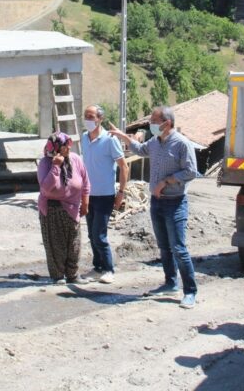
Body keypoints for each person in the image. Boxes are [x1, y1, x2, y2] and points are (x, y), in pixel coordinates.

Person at [109, 106, 199, 309]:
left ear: (167, 123)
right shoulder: (155, 142)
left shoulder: (182, 144)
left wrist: (166, 181)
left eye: (155, 121)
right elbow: (140, 150)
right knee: (164, 247)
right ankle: (170, 283)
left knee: (178, 248)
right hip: (157, 202)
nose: (151, 125)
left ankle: (190, 291)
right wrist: (123, 136)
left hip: (175, 203)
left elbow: (191, 171)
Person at [81, 105, 129, 284]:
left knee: (99, 234)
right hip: (88, 194)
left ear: (100, 119)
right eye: (86, 116)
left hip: (105, 195)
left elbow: (124, 166)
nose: (88, 119)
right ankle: (98, 267)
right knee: (91, 235)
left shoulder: (109, 140)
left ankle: (109, 269)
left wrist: (121, 192)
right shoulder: (85, 138)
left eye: (91, 116)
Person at [37, 132, 90, 285]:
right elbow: (46, 189)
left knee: (74, 243)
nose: (68, 148)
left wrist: (85, 203)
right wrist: (56, 167)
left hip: (73, 208)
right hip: (52, 209)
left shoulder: (75, 159)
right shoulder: (45, 163)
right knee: (56, 245)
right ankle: (58, 275)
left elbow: (85, 182)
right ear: (55, 148)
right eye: (65, 145)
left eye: (68, 145)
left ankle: (73, 275)